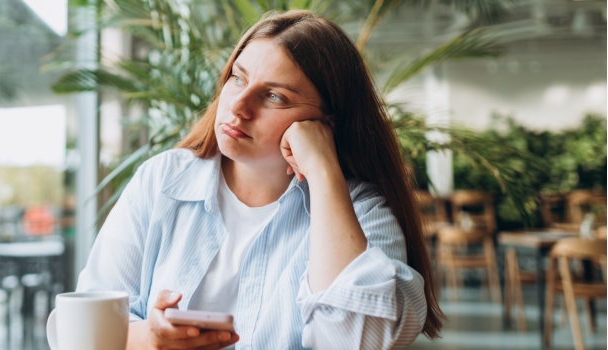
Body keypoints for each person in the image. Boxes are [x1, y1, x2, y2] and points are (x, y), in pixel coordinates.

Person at [76, 10, 443, 349]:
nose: (238, 106)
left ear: (324, 125)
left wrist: (323, 170)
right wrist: (151, 339)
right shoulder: (161, 181)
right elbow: (79, 328)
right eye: (238, 77)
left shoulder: (363, 211)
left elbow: (359, 340)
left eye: (273, 96)